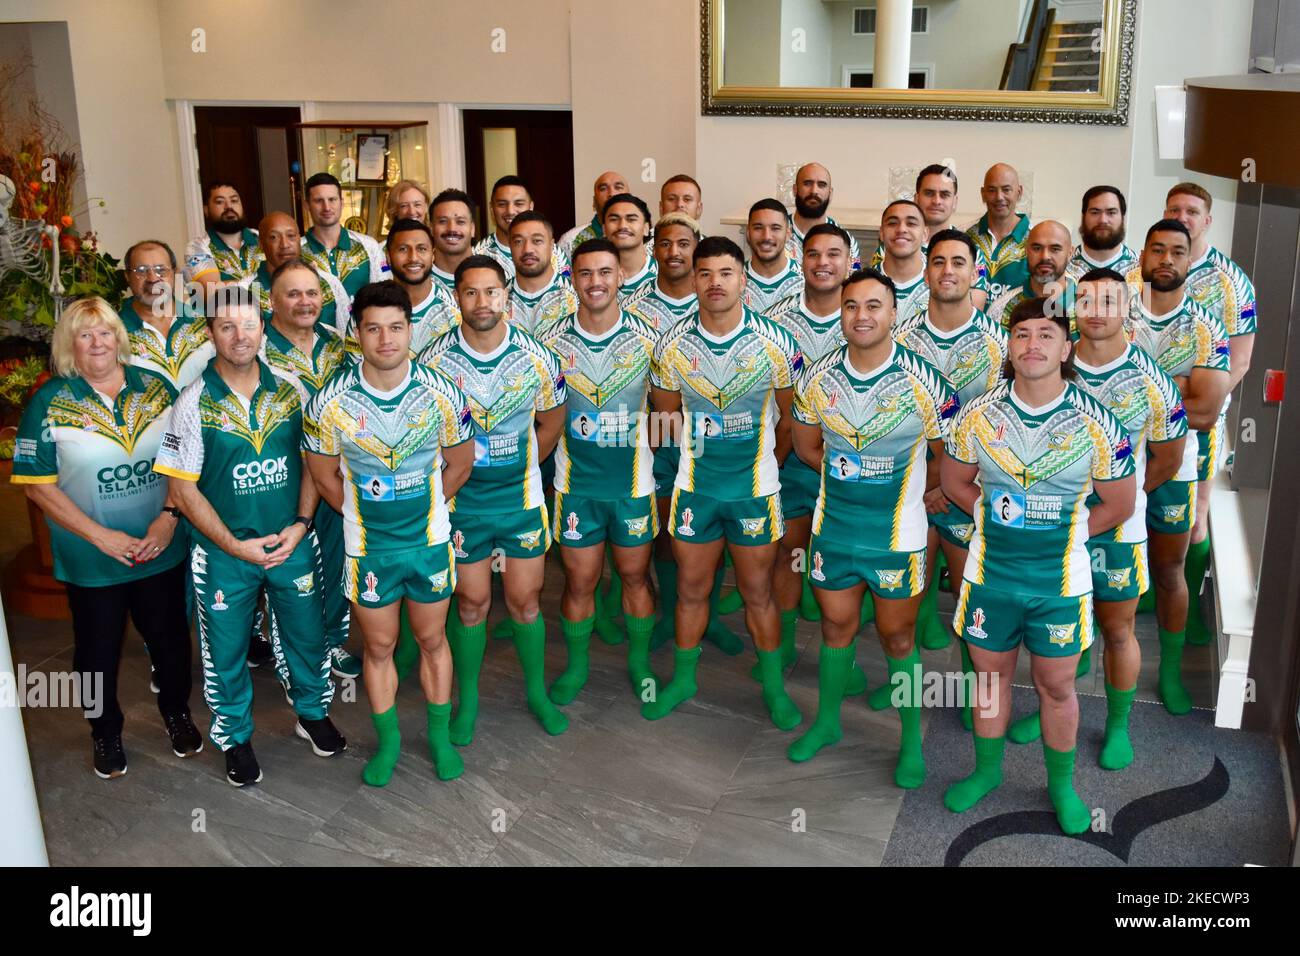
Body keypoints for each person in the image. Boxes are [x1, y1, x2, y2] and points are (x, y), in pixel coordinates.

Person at [942, 295, 1136, 834]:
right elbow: (955, 481)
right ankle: (985, 772)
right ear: (1008, 345)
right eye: (1022, 334)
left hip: (1060, 581)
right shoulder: (977, 415)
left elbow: (1120, 503)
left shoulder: (1098, 421)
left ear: (1067, 346)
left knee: (1056, 687)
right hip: (990, 575)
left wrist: (1068, 532)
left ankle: (1061, 787)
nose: (1033, 344)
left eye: (1046, 334)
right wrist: (990, 516)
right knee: (988, 679)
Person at [154, 288, 343, 787]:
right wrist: (232, 545)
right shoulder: (190, 403)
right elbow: (181, 487)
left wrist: (301, 525)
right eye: (227, 326)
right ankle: (235, 736)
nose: (240, 336)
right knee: (227, 650)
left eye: (249, 324)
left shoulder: (292, 391)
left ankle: (311, 713)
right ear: (211, 333)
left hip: (291, 543)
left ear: (263, 326)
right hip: (224, 554)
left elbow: (313, 464)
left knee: (307, 634)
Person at [1005, 269, 1188, 765]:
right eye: (1084, 300)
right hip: (1047, 526)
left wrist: (1118, 503)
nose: (1097, 310)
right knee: (1055, 629)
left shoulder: (1154, 382)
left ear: (1128, 307)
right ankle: (1052, 702)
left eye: (1109, 300)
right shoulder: (1048, 364)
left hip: (1118, 530)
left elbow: (1168, 458)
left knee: (1117, 628)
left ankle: (1117, 725)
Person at [12, 297, 199, 779]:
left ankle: (177, 715)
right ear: (69, 345)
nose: (98, 342)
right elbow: (37, 486)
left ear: (121, 337)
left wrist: (169, 518)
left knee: (171, 641)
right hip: (93, 559)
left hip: (161, 546)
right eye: (85, 334)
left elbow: (184, 462)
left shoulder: (157, 388)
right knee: (96, 650)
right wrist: (102, 537)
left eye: (106, 332)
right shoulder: (50, 400)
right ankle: (105, 732)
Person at [788, 269, 957, 788]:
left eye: (874, 306)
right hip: (835, 530)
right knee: (835, 629)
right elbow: (805, 445)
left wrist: (933, 491)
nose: (862, 316)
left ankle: (909, 745)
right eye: (852, 306)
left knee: (898, 637)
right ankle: (828, 723)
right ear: (841, 313)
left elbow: (949, 452)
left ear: (894, 313)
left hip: (897, 538)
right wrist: (846, 477)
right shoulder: (816, 377)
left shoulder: (927, 381)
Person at [305, 280, 475, 784]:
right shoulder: (328, 401)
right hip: (368, 549)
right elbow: (323, 475)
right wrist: (363, 517)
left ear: (410, 331)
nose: (385, 339)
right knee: (378, 649)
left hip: (427, 542)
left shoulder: (443, 391)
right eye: (373, 328)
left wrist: (422, 511)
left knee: (432, 638)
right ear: (357, 333)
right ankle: (391, 743)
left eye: (396, 328)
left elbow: (460, 464)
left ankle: (440, 738)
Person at [648, 235, 803, 728]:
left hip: (755, 490)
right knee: (692, 589)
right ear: (694, 280)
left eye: (726, 273)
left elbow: (790, 418)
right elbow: (666, 420)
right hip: (696, 490)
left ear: (744, 280)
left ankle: (775, 688)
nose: (716, 283)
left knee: (758, 592)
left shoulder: (777, 342)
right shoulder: (671, 346)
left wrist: (767, 466)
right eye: (706, 273)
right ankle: (684, 678)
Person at [419, 255, 569, 741]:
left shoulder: (537, 355)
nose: (481, 302)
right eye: (470, 292)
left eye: (491, 292)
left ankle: (536, 694)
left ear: (506, 295)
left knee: (526, 602)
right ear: (456, 297)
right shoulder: (434, 361)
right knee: (472, 604)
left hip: (521, 500)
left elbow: (552, 421)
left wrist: (525, 466)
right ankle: (468, 703)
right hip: (462, 504)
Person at [540, 239, 660, 702]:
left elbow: (668, 411)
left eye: (605, 273)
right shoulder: (551, 342)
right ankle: (576, 667)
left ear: (621, 277)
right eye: (585, 273)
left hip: (632, 485)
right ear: (572, 278)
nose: (596, 282)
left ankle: (640, 663)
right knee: (579, 582)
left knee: (635, 578)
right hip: (575, 487)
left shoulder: (649, 338)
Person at [893, 230, 1007, 689]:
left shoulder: (1001, 343)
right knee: (906, 592)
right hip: (909, 485)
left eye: (958, 262)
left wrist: (947, 483)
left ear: (975, 272)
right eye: (938, 262)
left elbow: (1003, 424)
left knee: (967, 598)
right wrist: (925, 483)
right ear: (925, 272)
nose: (947, 271)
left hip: (967, 490)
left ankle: (966, 691)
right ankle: (904, 685)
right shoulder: (899, 339)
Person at [1125, 219, 1230, 714]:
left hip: (1176, 462)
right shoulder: (1112, 310)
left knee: (1168, 569)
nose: (1167, 259)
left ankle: (1168, 674)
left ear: (1191, 261)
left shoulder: (1207, 326)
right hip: (1107, 461)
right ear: (1142, 257)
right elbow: (1084, 386)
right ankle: (1077, 659)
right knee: (1093, 567)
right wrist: (1177, 387)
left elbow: (1206, 409)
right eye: (1157, 250)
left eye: (1177, 252)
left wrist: (1133, 396)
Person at [633, 214, 745, 654]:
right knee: (670, 531)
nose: (673, 251)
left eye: (684, 243)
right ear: (654, 249)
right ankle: (668, 614)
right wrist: (671, 447)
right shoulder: (638, 303)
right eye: (665, 243)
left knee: (711, 536)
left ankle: (710, 616)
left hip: (720, 448)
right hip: (664, 436)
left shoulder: (723, 306)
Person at [764, 224, 868, 687]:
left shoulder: (867, 316)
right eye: (813, 254)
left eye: (834, 254)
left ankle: (842, 660)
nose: (823, 262)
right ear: (800, 260)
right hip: (793, 456)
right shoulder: (776, 319)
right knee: (789, 549)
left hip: (857, 465)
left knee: (847, 564)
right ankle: (783, 643)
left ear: (851, 262)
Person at [1161, 182, 1257, 646]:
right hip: (1147, 417)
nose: (1182, 216)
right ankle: (1151, 589)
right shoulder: (1151, 267)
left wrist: (1200, 399)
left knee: (1195, 515)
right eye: (1174, 208)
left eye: (1192, 210)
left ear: (1207, 220)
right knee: (1146, 508)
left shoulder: (1230, 280)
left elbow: (1239, 360)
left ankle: (1189, 603)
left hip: (1201, 420)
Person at [260, 259, 356, 680]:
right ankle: (295, 654)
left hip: (336, 472)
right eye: (293, 294)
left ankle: (333, 640)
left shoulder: (337, 342)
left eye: (312, 293)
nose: (305, 302)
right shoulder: (258, 348)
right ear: (272, 300)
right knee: (289, 569)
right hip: (282, 476)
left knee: (335, 560)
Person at [869, 165, 991, 310]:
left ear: (955, 202)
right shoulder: (891, 246)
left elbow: (974, 308)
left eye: (944, 194)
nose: (936, 201)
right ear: (916, 198)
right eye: (929, 193)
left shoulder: (970, 251)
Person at [343, 218, 458, 359]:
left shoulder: (454, 311)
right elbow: (356, 372)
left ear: (433, 254)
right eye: (403, 249)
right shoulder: (366, 308)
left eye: (422, 249)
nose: (413, 258)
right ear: (388, 257)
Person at [299, 172, 387, 333]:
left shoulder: (369, 246)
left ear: (342, 202)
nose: (327, 207)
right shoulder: (297, 252)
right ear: (307, 205)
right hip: (316, 345)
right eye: (319, 201)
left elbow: (384, 295)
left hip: (363, 342)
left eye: (332, 200)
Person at [119, 239, 213, 390]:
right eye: (141, 271)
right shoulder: (111, 332)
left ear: (175, 273)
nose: (153, 278)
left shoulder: (205, 321)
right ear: (127, 277)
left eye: (161, 270)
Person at [473, 175, 567, 283]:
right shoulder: (478, 256)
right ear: (491, 209)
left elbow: (568, 295)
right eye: (502, 204)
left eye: (518, 204)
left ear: (531, 207)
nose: (510, 211)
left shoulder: (554, 253)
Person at [986, 220, 1076, 330]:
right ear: (1026, 251)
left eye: (1055, 249)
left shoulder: (1090, 305)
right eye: (1037, 248)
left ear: (1070, 253)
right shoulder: (1000, 310)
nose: (1045, 256)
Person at [507, 210, 579, 338]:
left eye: (537, 241)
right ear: (510, 246)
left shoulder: (577, 296)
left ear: (552, 245)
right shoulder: (496, 299)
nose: (527, 249)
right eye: (518, 241)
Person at [184, 181, 264, 295]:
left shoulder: (263, 238)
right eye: (220, 202)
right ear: (206, 210)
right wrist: (264, 282)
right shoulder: (196, 247)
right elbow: (211, 291)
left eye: (234, 200)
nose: (229, 206)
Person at [966, 163, 1032, 300]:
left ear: (1019, 192)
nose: (999, 197)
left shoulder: (1035, 241)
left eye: (1006, 190)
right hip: (973, 321)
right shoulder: (965, 237)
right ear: (983, 194)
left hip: (1017, 321)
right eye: (992, 190)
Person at [786, 163, 862, 269]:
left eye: (821, 185)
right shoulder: (776, 232)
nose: (814, 191)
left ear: (830, 193)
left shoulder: (847, 241)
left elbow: (855, 280)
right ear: (795, 189)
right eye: (807, 183)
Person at [875, 200, 932, 328]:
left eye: (911, 223)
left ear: (925, 234)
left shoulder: (939, 284)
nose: (901, 229)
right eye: (892, 223)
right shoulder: (864, 285)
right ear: (881, 233)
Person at [742, 198, 803, 314]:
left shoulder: (806, 283)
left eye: (775, 228)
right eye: (758, 228)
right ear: (748, 233)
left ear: (788, 234)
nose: (766, 237)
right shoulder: (733, 280)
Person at [1065, 185, 1138, 282]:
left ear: (1122, 217)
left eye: (1111, 212)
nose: (1103, 220)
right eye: (1095, 212)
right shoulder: (1064, 266)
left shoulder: (1139, 268)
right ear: (1083, 217)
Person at [602, 193, 657, 306]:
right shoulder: (592, 277)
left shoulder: (663, 275)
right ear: (604, 229)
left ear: (646, 228)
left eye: (631, 219)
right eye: (614, 219)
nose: (622, 226)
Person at [559, 170, 631, 256]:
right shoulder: (570, 241)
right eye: (603, 188)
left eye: (618, 187)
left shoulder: (646, 239)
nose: (611, 193)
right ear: (594, 201)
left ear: (630, 199)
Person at [428, 188, 478, 299]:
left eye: (460, 222)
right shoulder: (420, 280)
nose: (451, 229)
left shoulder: (493, 275)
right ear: (431, 228)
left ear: (472, 229)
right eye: (443, 221)